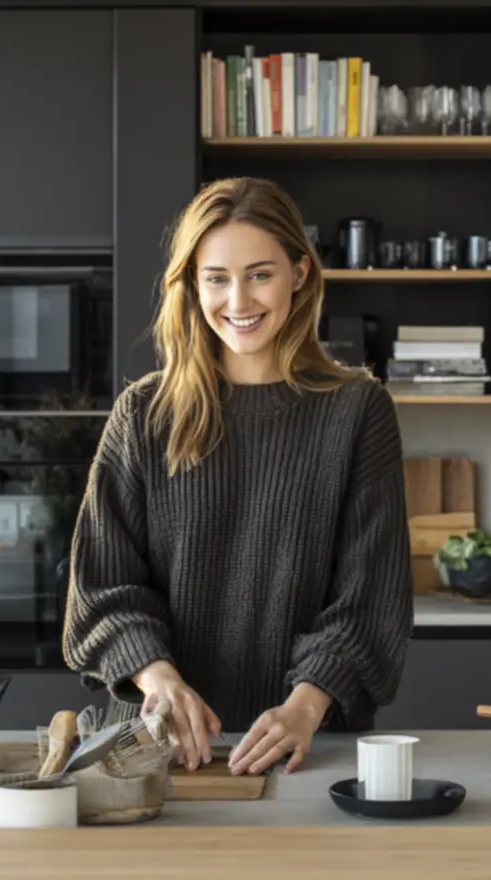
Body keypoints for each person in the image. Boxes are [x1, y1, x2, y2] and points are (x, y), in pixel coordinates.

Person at [63, 176, 413, 777]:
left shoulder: (358, 409)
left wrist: (304, 706)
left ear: (299, 273)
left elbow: (370, 598)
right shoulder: (144, 413)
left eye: (260, 274)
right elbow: (101, 592)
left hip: (309, 753)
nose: (239, 301)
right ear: (192, 286)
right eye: (217, 278)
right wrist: (160, 680)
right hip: (163, 757)